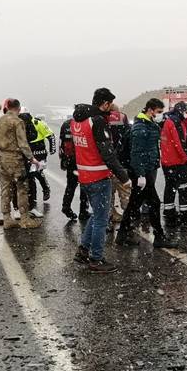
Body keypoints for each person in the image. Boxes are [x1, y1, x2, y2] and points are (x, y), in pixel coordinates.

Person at [71, 88, 130, 273]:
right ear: (104, 103)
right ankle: (96, 259)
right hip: (99, 176)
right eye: (109, 105)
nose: (110, 109)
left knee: (96, 214)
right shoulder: (97, 122)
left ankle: (83, 250)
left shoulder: (77, 120)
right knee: (101, 220)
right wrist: (124, 176)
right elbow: (107, 153)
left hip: (85, 175)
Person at [116, 99, 176, 248]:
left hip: (146, 170)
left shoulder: (149, 124)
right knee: (153, 203)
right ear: (150, 110)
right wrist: (141, 174)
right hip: (142, 172)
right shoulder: (140, 128)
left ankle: (122, 235)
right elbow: (137, 153)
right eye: (159, 112)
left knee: (134, 204)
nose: (160, 115)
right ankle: (159, 237)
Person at [0, 98, 41, 229]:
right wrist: (32, 158)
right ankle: (25, 219)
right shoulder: (18, 121)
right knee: (22, 188)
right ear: (18, 109)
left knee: (5, 189)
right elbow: (23, 143)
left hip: (1, 157)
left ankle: (7, 218)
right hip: (14, 158)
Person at [160, 102, 187, 228]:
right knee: (183, 188)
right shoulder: (176, 122)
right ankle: (184, 218)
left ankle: (169, 213)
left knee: (170, 188)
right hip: (177, 162)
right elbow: (179, 144)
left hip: (168, 161)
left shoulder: (169, 120)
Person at [19, 112, 54, 217]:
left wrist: (53, 149)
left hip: (40, 151)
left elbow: (50, 135)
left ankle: (45, 188)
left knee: (36, 173)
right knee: (31, 176)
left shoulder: (38, 123)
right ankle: (31, 202)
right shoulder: (20, 124)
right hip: (28, 151)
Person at [59, 106, 90, 221]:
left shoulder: (66, 124)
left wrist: (62, 159)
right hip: (83, 161)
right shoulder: (85, 124)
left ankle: (66, 206)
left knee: (71, 185)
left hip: (70, 160)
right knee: (84, 186)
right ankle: (83, 211)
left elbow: (61, 143)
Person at [107, 103, 132, 230]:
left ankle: (109, 219)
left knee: (108, 195)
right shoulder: (123, 117)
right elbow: (128, 137)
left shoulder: (101, 118)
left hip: (107, 162)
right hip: (122, 162)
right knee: (125, 193)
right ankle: (127, 223)